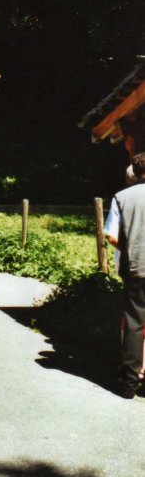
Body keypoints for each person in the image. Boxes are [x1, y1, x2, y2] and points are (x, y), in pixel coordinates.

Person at [105, 152, 145, 399]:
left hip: (135, 268)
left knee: (134, 323)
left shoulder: (121, 197)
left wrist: (129, 248)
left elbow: (111, 236)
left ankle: (129, 383)